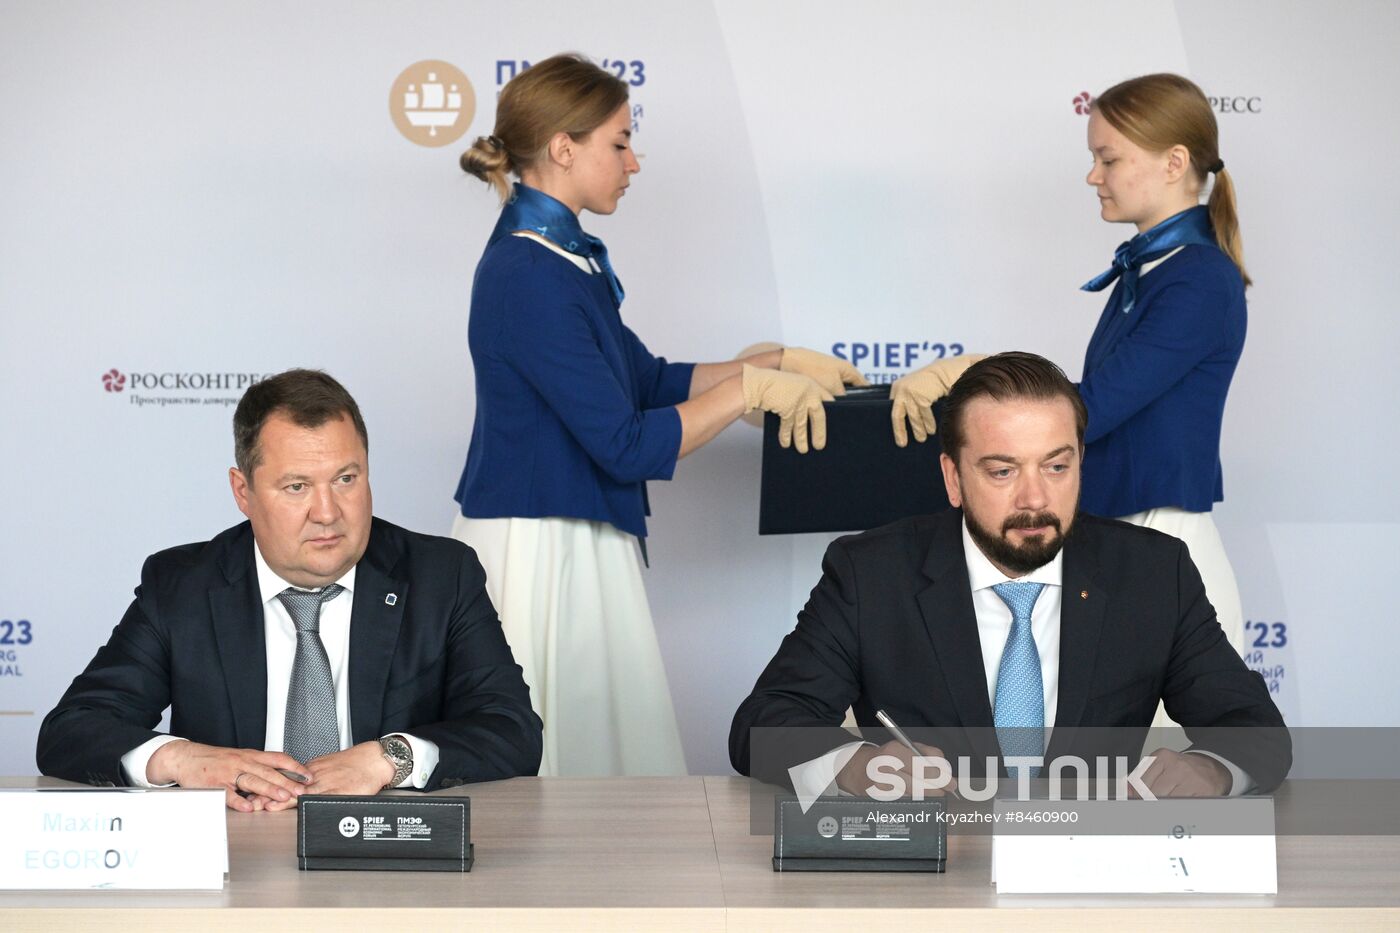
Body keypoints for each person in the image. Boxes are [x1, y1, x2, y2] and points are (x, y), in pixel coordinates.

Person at [454, 53, 864, 776]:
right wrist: (749, 392)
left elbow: (644, 381)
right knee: (560, 771)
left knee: (592, 769)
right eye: (619, 141)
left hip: (572, 533)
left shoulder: (557, 258)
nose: (634, 161)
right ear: (562, 147)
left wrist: (770, 362)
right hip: (543, 546)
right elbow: (626, 444)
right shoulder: (529, 271)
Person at [731, 353, 1289, 798]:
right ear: (953, 478)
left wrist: (1214, 771)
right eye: (1002, 471)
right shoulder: (871, 573)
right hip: (934, 886)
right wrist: (857, 766)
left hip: (1092, 882)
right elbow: (763, 724)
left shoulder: (1152, 572)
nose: (1035, 499)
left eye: (1057, 466)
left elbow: (1255, 729)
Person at [37, 369, 542, 811]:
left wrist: (391, 758)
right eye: (296, 486)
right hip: (236, 853)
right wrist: (185, 759)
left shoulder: (439, 575)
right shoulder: (183, 585)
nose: (327, 512)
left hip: (386, 856)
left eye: (346, 478)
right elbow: (72, 730)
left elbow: (511, 730)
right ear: (243, 492)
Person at [889, 73, 1249, 657]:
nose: (1093, 176)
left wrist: (974, 380)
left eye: (1108, 159)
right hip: (1123, 536)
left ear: (1174, 162)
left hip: (1161, 539)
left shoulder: (1198, 278)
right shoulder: (1155, 272)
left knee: (1170, 748)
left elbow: (1095, 407)